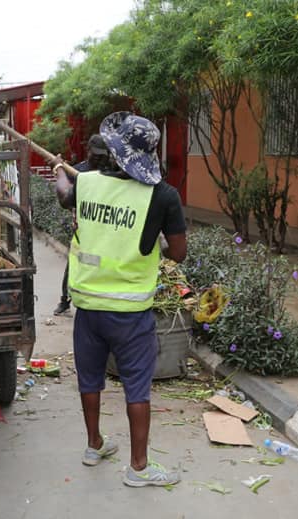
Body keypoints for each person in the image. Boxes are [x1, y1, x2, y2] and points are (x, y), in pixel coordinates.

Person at [53, 112, 187, 488]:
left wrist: (60, 174)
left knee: (90, 379)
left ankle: (94, 445)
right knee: (136, 388)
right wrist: (156, 237)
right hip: (130, 313)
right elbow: (178, 253)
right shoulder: (163, 196)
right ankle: (139, 469)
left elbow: (64, 194)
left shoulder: (88, 184)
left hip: (88, 309)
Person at [54, 135, 111, 315]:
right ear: (88, 152)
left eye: (103, 155)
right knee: (74, 265)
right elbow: (66, 198)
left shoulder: (110, 171)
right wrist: (61, 169)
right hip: (83, 231)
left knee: (102, 266)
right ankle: (65, 300)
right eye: (96, 155)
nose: (100, 159)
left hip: (107, 230)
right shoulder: (77, 171)